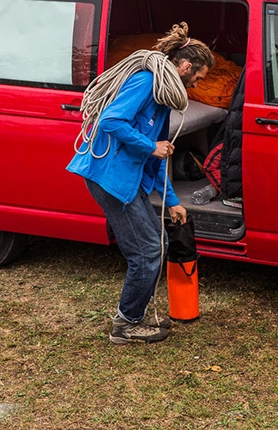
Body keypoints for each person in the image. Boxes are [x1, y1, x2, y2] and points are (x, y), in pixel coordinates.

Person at [67, 22, 213, 344]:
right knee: (147, 250)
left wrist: (173, 200)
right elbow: (110, 120)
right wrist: (150, 146)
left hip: (128, 178)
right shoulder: (147, 82)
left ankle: (135, 315)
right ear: (185, 66)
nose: (196, 85)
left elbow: (158, 157)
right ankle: (126, 325)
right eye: (198, 77)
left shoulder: (162, 98)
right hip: (109, 177)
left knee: (154, 245)